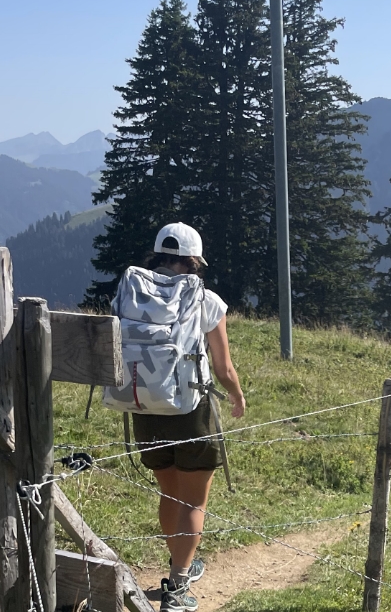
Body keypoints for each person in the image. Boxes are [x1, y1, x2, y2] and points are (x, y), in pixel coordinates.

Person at [128, 223, 246, 612]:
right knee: (194, 500)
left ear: (158, 255)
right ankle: (177, 587)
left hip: (145, 408)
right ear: (194, 261)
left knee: (169, 492)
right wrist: (237, 394)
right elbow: (223, 367)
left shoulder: (134, 293)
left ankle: (180, 559)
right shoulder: (206, 300)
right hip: (191, 410)